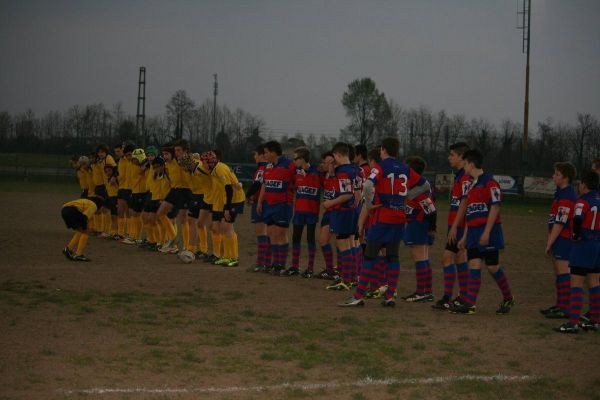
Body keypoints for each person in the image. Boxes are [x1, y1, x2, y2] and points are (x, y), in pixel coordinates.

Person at [339, 137, 424, 307]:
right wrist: (405, 197)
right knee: (393, 256)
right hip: (399, 218)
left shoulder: (381, 167)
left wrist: (370, 204)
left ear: (383, 150)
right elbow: (425, 186)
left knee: (369, 255)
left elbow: (368, 185)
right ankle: (390, 296)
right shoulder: (405, 168)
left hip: (382, 217)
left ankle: (358, 296)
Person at [452, 149, 515, 315]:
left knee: (492, 266)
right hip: (472, 232)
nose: (463, 168)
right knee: (474, 264)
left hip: (489, 231)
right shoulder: (471, 185)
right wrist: (465, 236)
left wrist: (486, 232)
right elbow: (470, 213)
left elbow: (495, 207)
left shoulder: (490, 182)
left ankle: (508, 297)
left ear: (471, 164)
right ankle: (470, 304)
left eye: (465, 164)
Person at [554, 170, 600, 333]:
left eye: (580, 183)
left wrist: (575, 234)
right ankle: (594, 320)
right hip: (597, 245)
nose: (579, 186)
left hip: (584, 245)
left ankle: (572, 322)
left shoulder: (582, 201)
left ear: (584, 185)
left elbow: (578, 218)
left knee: (577, 283)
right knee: (594, 283)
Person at [432, 142, 472, 310]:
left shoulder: (465, 178)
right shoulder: (460, 176)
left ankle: (448, 298)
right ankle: (462, 296)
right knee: (459, 258)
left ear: (462, 158)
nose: (449, 158)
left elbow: (467, 204)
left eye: (452, 155)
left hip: (459, 226)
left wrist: (456, 227)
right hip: (456, 225)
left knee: (447, 257)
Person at [541, 162, 577, 319]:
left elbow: (560, 222)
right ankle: (560, 305)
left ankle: (566, 307)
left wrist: (549, 242)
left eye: (557, 174)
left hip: (564, 239)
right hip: (559, 239)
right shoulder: (560, 193)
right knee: (559, 272)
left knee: (563, 273)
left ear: (565, 178)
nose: (553, 176)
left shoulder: (568, 196)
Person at [256, 141, 296, 275]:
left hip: (283, 205)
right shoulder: (268, 166)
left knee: (281, 234)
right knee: (271, 233)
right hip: (269, 205)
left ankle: (281, 265)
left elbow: (300, 179)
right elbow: (264, 184)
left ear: (273, 152)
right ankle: (275, 263)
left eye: (266, 152)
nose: (264, 155)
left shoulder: (289, 165)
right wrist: (260, 201)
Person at [401, 156, 436, 303]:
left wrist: (431, 228)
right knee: (424, 257)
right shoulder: (417, 186)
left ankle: (421, 291)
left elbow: (431, 210)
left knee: (419, 257)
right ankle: (427, 291)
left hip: (418, 224)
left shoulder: (419, 189)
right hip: (419, 224)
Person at [325, 143, 357, 290]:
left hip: (343, 211)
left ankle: (346, 280)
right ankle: (351, 278)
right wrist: (332, 169)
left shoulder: (343, 171)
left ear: (337, 155)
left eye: (334, 157)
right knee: (350, 244)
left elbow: (346, 194)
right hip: (353, 211)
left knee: (343, 245)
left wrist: (330, 203)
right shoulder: (356, 169)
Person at [287, 146, 321, 277]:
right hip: (299, 212)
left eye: (296, 158)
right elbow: (292, 186)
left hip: (312, 212)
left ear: (302, 159)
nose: (294, 161)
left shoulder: (317, 172)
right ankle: (295, 266)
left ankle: (310, 268)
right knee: (296, 237)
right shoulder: (296, 172)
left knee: (310, 239)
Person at [157, 139, 193, 254]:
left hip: (186, 190)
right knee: (160, 213)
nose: (164, 156)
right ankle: (173, 239)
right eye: (163, 154)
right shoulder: (167, 163)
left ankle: (187, 247)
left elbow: (194, 162)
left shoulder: (181, 160)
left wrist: (193, 156)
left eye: (166, 154)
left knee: (183, 218)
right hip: (174, 190)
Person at [247, 146, 271, 272]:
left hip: (261, 203)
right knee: (266, 233)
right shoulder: (268, 167)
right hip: (267, 202)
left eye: (256, 154)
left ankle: (261, 263)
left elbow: (257, 184)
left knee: (261, 232)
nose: (254, 157)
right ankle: (266, 262)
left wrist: (247, 195)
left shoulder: (262, 168)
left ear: (262, 155)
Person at [61, 196, 104, 262]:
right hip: (71, 211)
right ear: (100, 205)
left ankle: (68, 249)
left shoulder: (87, 202)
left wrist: (86, 228)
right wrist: (87, 229)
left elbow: (82, 218)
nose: (102, 210)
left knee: (81, 231)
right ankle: (79, 255)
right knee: (85, 231)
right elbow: (84, 218)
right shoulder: (94, 205)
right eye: (102, 208)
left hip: (64, 211)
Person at [116, 143, 133, 240]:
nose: (122, 151)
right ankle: (120, 233)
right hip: (121, 188)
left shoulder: (133, 161)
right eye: (121, 149)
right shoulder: (121, 161)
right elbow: (120, 174)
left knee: (128, 212)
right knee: (120, 211)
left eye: (123, 149)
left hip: (130, 189)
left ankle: (130, 234)